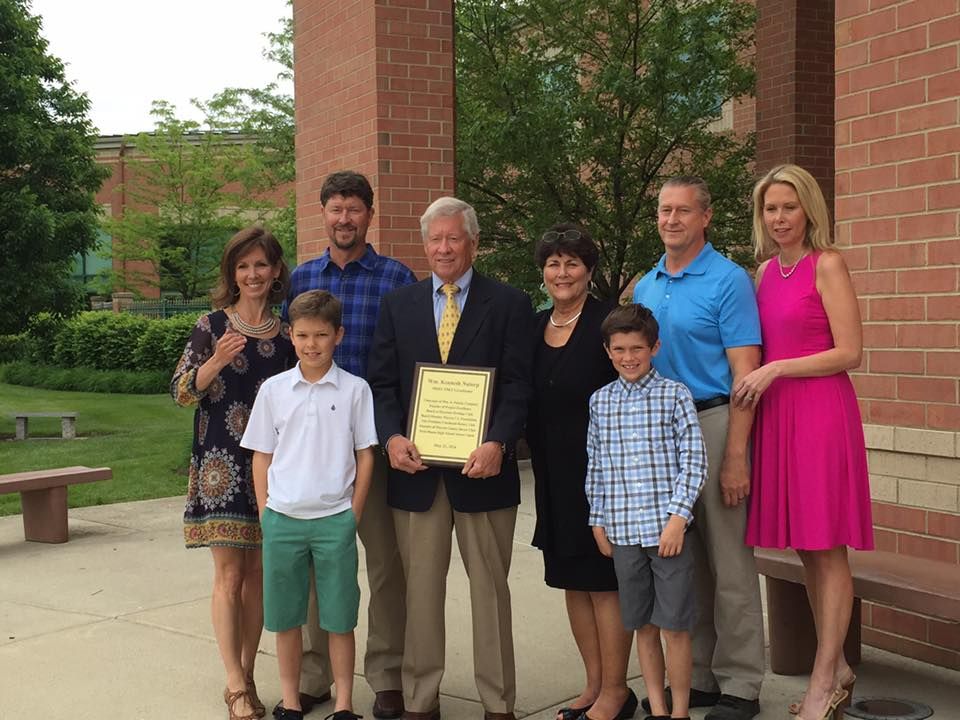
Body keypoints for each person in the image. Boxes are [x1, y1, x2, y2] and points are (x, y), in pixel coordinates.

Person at [368, 196, 534, 720]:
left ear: (473, 243)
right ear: (424, 244)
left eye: (453, 238)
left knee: (490, 593)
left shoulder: (508, 304)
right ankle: (420, 698)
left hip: (483, 472)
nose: (444, 248)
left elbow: (518, 384)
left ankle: (498, 702)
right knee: (418, 594)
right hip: (416, 475)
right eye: (435, 239)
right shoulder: (399, 305)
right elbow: (383, 383)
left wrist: (499, 443)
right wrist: (392, 438)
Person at [734, 164, 873, 720]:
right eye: (771, 208)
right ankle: (835, 664)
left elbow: (850, 351)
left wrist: (776, 371)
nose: (780, 217)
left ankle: (824, 680)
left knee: (826, 542)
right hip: (781, 416)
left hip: (819, 413)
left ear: (809, 209)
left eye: (789, 206)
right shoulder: (765, 272)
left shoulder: (828, 263)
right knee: (804, 545)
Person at [282, 171, 416, 719]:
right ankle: (314, 674)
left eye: (354, 208)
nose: (344, 218)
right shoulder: (301, 278)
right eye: (335, 208)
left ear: (369, 214)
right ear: (323, 213)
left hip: (373, 446)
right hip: (312, 449)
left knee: (384, 565)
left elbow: (412, 361)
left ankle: (385, 674)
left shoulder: (396, 277)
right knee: (315, 564)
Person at [632, 177, 764, 720]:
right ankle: (701, 675)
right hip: (661, 432)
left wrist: (736, 453)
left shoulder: (729, 281)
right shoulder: (647, 283)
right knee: (684, 560)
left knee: (730, 561)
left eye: (683, 211)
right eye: (664, 210)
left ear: (705, 217)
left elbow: (745, 373)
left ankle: (741, 682)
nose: (671, 220)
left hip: (712, 419)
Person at [172, 226, 294, 720]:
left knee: (258, 576)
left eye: (261, 264)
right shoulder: (210, 325)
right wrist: (216, 362)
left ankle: (246, 674)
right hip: (220, 466)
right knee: (228, 575)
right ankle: (234, 683)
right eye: (243, 266)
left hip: (272, 468)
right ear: (232, 274)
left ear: (276, 271)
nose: (252, 274)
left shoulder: (288, 336)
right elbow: (181, 391)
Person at [241, 290, 378, 720]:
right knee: (285, 618)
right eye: (302, 335)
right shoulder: (274, 390)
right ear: (290, 335)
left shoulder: (356, 390)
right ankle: (291, 700)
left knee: (339, 618)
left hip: (334, 518)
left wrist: (353, 514)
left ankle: (343, 704)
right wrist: (265, 511)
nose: (311, 344)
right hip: (283, 519)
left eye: (321, 334)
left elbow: (365, 454)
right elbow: (261, 455)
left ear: (338, 335)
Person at [527, 224, 635, 720]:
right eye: (553, 263)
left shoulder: (605, 325)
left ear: (589, 271)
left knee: (604, 581)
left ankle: (617, 690)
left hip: (602, 474)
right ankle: (593, 684)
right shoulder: (535, 325)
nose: (562, 272)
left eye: (572, 263)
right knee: (571, 578)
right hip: (553, 472)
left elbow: (633, 393)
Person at [586, 303, 707, 720]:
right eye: (619, 349)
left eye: (637, 348)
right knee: (643, 625)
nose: (628, 357)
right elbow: (597, 464)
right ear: (608, 351)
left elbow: (693, 461)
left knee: (674, 626)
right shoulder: (600, 403)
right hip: (623, 533)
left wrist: (678, 519)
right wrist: (597, 519)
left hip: (667, 533)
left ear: (654, 347)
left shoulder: (675, 395)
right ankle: (656, 709)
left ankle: (679, 712)